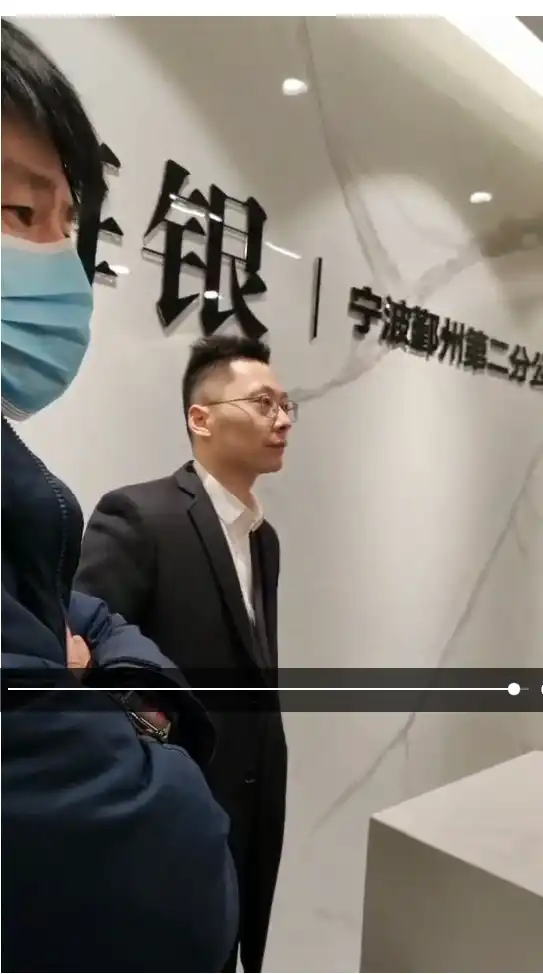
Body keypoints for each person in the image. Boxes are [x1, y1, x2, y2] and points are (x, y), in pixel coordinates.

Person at [1, 18, 238, 973]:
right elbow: (154, 859)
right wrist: (128, 718)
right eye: (20, 211)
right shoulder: (139, 514)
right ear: (198, 418)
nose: (56, 258)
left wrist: (102, 682)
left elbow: (82, 619)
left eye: (68, 223)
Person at [77, 334, 296, 972]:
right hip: (167, 815)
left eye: (286, 405)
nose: (282, 420)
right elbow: (91, 667)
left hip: (249, 814)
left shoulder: (264, 539)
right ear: (201, 418)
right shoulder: (139, 516)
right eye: (262, 402)